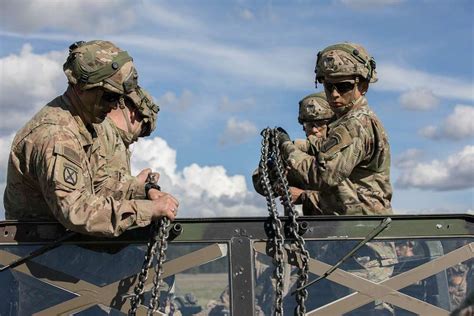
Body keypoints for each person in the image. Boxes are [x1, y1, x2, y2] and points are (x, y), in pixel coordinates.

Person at [4, 40, 178, 237]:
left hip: (64, 252)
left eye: (120, 99)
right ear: (82, 88)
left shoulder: (85, 125)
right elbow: (77, 211)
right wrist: (147, 210)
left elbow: (100, 184)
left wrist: (144, 191)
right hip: (38, 256)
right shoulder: (57, 136)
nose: (114, 107)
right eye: (110, 97)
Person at [277, 42, 397, 314]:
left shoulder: (358, 123)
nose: (333, 94)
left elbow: (324, 172)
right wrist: (293, 148)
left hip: (365, 253)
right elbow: (318, 152)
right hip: (341, 248)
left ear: (363, 85)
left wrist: (286, 148)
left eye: (343, 86)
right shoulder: (344, 124)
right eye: (327, 86)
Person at [92, 85, 160, 200]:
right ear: (134, 113)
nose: (138, 138)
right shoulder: (102, 130)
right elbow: (96, 186)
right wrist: (137, 184)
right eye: (143, 129)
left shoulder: (116, 138)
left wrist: (141, 188)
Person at [288, 92, 335, 215]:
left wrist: (304, 197)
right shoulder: (299, 153)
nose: (314, 130)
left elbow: (349, 202)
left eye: (320, 124)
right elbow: (261, 181)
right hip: (317, 229)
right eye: (309, 124)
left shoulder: (345, 151)